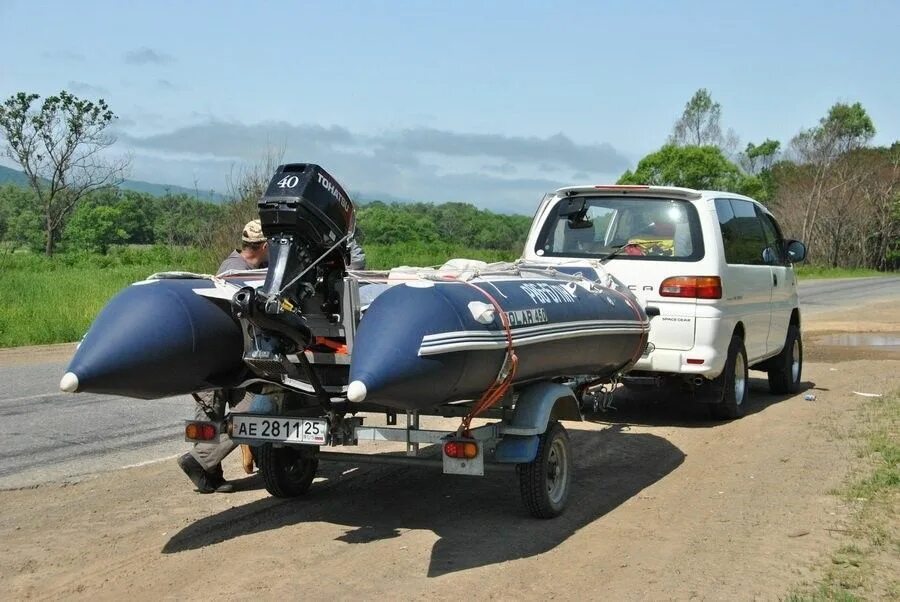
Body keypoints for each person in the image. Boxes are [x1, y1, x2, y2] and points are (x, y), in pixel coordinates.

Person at [177, 219, 269, 493]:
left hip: (222, 358)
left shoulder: (236, 266)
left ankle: (208, 474)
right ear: (264, 246)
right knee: (252, 407)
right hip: (224, 358)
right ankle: (200, 463)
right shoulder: (239, 275)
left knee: (207, 417)